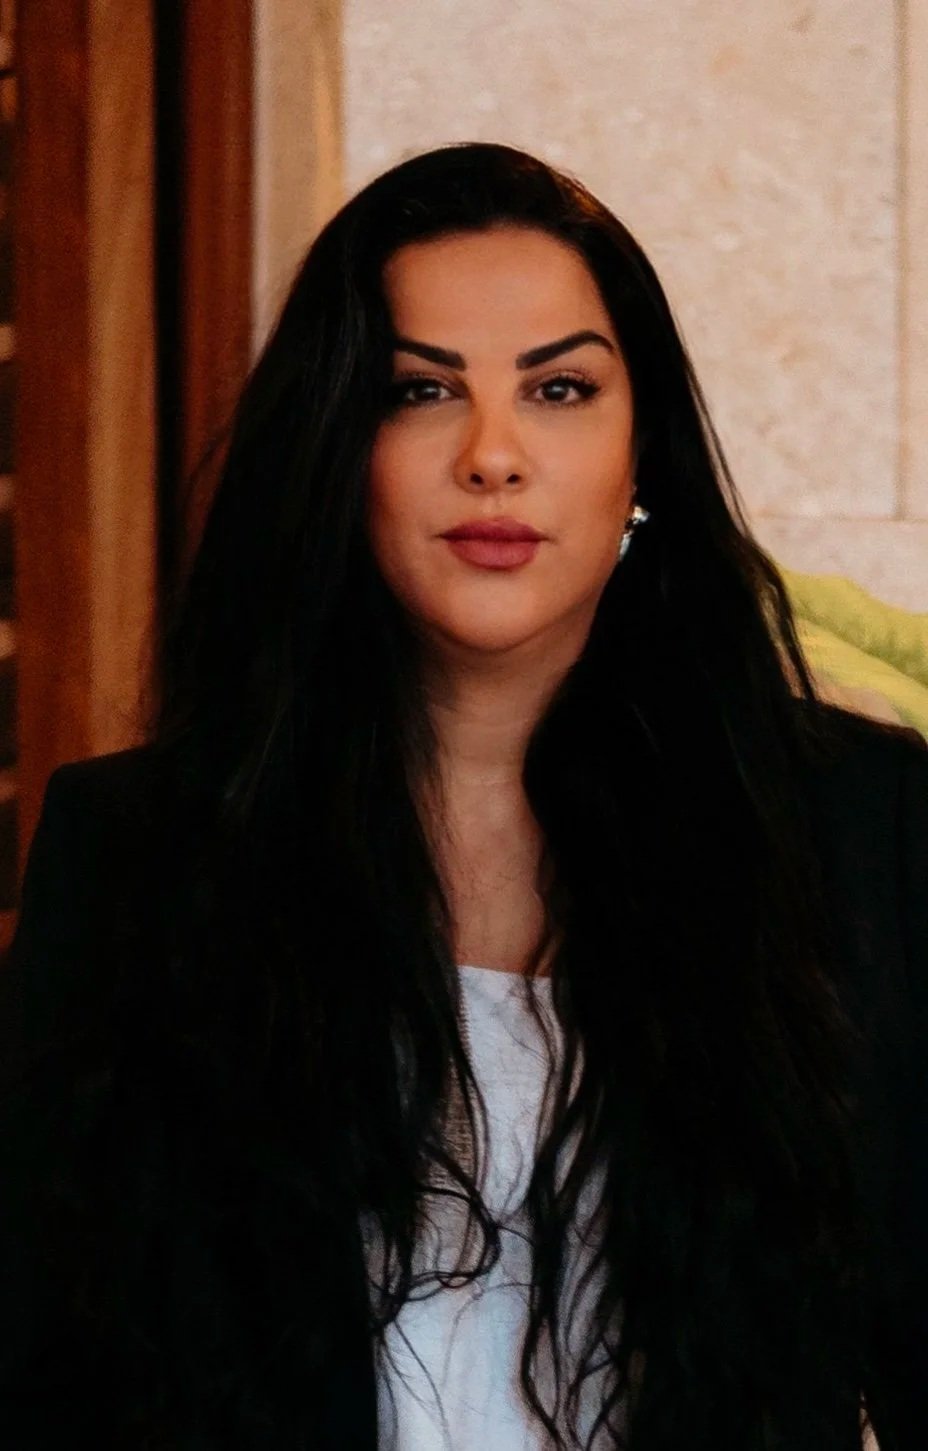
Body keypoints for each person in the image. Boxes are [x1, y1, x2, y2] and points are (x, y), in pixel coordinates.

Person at [0, 140, 925, 1451]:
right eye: (419, 392)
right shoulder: (142, 852)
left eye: (559, 388)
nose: (494, 456)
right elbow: (44, 1368)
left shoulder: (859, 833)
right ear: (336, 448)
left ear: (641, 452)